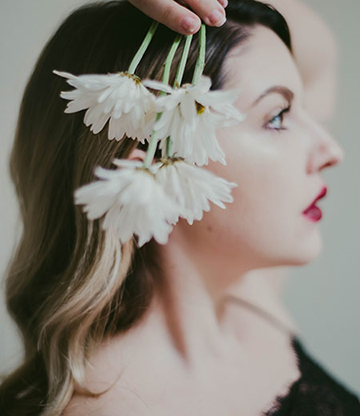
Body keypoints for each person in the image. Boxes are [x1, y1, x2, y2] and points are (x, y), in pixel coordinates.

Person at [1, 1, 359, 415]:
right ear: (151, 163)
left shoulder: (249, 299)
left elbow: (321, 50)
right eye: (278, 116)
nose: (332, 151)